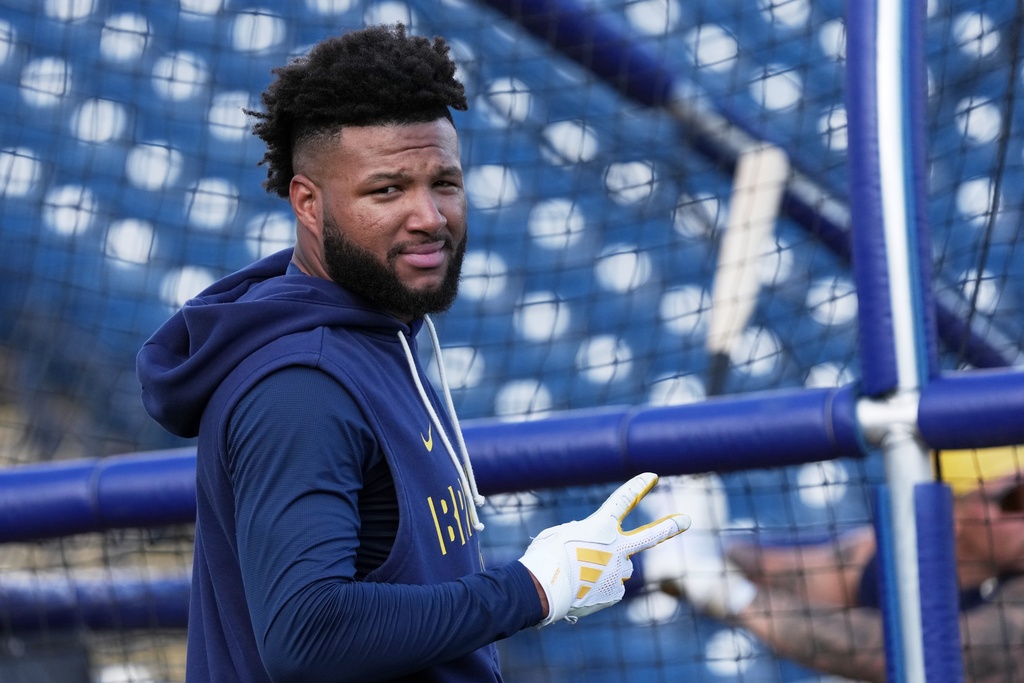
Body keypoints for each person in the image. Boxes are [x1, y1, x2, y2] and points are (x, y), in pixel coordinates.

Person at [136, 24, 689, 683]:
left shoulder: (378, 333)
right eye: (388, 189)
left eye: (444, 183)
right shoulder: (301, 384)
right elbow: (306, 633)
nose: (429, 215)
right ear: (308, 203)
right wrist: (533, 588)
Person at [641, 447, 1024, 682]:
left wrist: (725, 592)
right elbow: (794, 574)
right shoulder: (889, 554)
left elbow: (901, 656)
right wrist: (703, 539)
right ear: (949, 514)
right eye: (1016, 499)